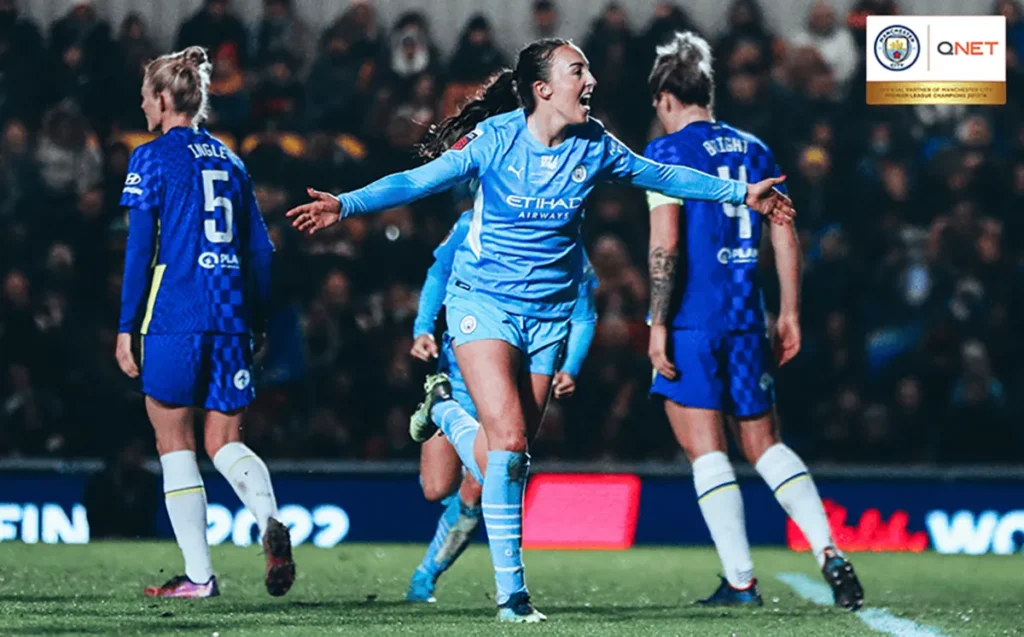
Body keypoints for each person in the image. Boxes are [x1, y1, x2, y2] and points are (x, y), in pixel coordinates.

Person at [287, 37, 793, 622]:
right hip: (483, 304)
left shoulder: (595, 145)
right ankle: (514, 600)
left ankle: (445, 408)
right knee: (504, 444)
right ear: (542, 88)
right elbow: (416, 181)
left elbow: (664, 174)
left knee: (513, 456)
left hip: (549, 317)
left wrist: (741, 194)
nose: (592, 81)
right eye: (579, 69)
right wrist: (343, 205)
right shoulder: (496, 139)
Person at [643, 32, 863, 610]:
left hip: (692, 319)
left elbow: (665, 246)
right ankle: (828, 551)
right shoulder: (755, 149)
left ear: (666, 99)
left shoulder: (665, 154)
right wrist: (788, 311)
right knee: (766, 445)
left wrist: (656, 323)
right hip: (746, 316)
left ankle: (741, 581)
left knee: (707, 452)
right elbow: (785, 229)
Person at [116, 46, 295, 599]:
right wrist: (257, 319)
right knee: (225, 439)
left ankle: (199, 576)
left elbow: (140, 249)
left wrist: (126, 326)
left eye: (147, 97)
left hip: (175, 311)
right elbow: (261, 251)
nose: (143, 105)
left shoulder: (150, 158)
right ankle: (267, 517)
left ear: (165, 99)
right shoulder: (232, 161)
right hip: (229, 313)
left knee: (174, 437)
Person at [404, 207, 598, 603]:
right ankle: (440, 406)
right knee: (436, 487)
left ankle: (428, 574)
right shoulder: (476, 221)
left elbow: (584, 312)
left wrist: (571, 367)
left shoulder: (565, 236)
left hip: (524, 370)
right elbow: (439, 273)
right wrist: (423, 326)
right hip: (464, 363)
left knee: (485, 476)